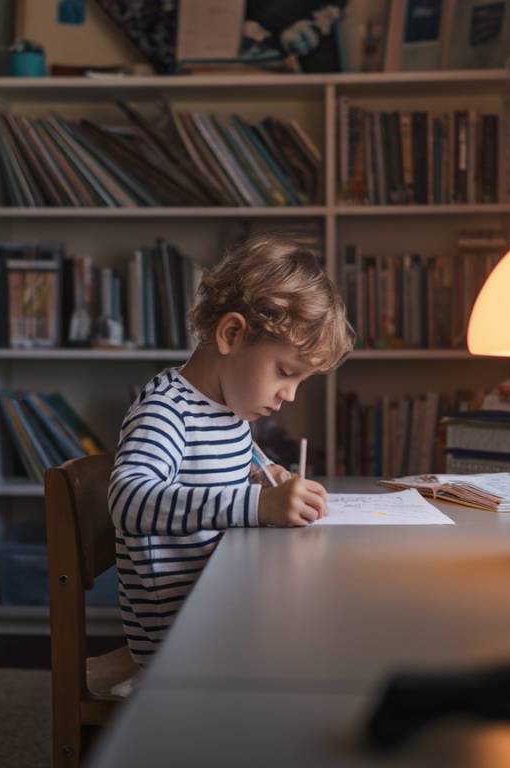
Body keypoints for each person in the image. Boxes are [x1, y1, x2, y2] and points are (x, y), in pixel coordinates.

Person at [108, 232, 354, 664]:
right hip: (181, 640)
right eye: (284, 372)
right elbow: (128, 500)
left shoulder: (228, 411)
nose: (290, 395)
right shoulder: (167, 410)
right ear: (232, 334)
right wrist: (258, 505)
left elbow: (236, 471)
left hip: (222, 607)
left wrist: (268, 475)